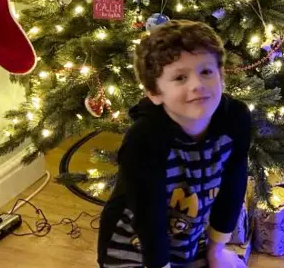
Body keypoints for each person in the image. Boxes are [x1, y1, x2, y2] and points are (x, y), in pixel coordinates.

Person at [97, 20, 251, 268]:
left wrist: (217, 250)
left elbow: (234, 184)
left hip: (189, 235)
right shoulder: (144, 138)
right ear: (155, 93)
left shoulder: (236, 119)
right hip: (135, 243)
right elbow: (148, 218)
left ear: (221, 76)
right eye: (180, 77)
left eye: (206, 72)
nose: (197, 85)